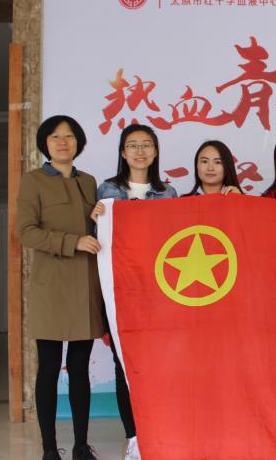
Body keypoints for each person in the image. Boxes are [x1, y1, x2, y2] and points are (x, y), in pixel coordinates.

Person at [16, 115, 102, 460]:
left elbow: (98, 232)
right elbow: (26, 232)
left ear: (78, 142)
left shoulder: (89, 182)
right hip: (50, 288)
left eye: (69, 136)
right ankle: (50, 449)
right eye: (55, 137)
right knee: (49, 369)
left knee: (80, 370)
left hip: (85, 287)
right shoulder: (33, 181)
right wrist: (73, 241)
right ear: (45, 143)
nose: (63, 142)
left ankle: (81, 446)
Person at [91, 124, 177, 460]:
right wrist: (96, 218)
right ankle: (134, 438)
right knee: (122, 365)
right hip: (120, 291)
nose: (140, 151)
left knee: (157, 365)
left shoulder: (168, 193)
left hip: (157, 294)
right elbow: (97, 240)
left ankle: (159, 431)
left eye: (146, 145)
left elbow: (174, 240)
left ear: (155, 152)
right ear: (123, 153)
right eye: (133, 145)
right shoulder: (107, 190)